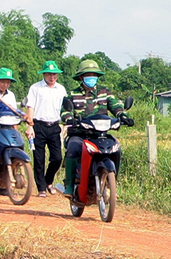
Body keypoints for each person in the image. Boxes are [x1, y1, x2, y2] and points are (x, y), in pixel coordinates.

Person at [60, 60, 133, 198]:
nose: (91, 77)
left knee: (117, 149)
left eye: (94, 75)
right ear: (81, 77)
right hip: (80, 134)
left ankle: (111, 183)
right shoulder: (72, 94)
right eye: (88, 74)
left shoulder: (104, 92)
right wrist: (69, 118)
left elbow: (116, 105)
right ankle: (69, 185)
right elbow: (65, 111)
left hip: (101, 134)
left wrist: (123, 115)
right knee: (73, 149)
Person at [25, 61, 67, 197]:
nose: (52, 77)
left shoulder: (61, 89)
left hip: (54, 126)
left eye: (54, 74)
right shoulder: (35, 88)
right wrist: (29, 126)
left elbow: (65, 108)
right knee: (39, 158)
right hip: (39, 125)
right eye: (49, 74)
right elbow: (30, 106)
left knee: (57, 158)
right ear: (44, 74)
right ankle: (41, 188)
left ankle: (48, 180)